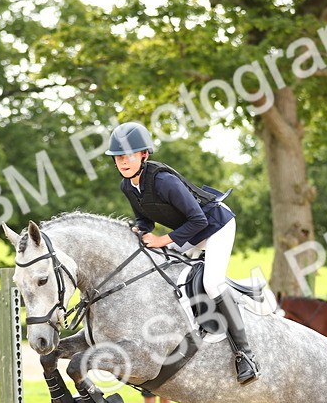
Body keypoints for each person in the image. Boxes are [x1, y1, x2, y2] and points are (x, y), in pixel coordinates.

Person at [106, 121, 260, 385]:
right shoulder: (127, 186)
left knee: (212, 282)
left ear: (144, 155)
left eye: (128, 155)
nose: (123, 162)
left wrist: (162, 240)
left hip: (216, 226)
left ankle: (245, 355)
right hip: (190, 232)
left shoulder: (164, 181)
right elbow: (145, 219)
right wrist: (139, 229)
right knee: (162, 268)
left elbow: (199, 220)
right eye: (118, 157)